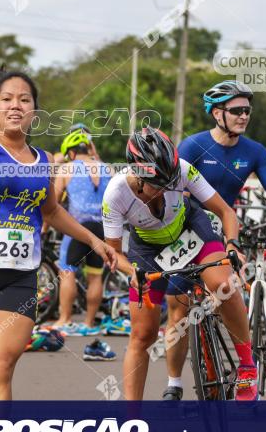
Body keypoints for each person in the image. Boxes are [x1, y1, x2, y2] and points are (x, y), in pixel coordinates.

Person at [0, 64, 117, 401]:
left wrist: (93, 239)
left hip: (19, 278)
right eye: (7, 99)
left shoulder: (45, 160)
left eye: (24, 99)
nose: (15, 105)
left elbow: (51, 210)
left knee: (1, 365)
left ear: (34, 110)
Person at [102, 126, 257, 401]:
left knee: (223, 284)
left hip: (191, 230)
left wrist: (232, 245)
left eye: (170, 183)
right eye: (157, 185)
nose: (165, 191)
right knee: (142, 335)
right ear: (137, 176)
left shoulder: (183, 169)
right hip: (147, 248)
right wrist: (132, 272)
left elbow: (225, 211)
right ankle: (132, 424)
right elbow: (114, 254)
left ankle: (247, 368)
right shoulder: (115, 193)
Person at [180, 80, 266, 257]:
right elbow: (178, 199)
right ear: (217, 114)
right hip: (187, 232)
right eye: (236, 111)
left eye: (247, 111)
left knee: (235, 281)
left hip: (225, 232)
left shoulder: (255, 152)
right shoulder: (192, 146)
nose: (244, 116)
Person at [52, 128, 113, 339]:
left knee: (67, 271)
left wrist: (42, 229)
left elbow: (52, 204)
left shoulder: (67, 169)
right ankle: (88, 322)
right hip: (101, 229)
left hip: (77, 228)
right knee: (95, 277)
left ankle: (65, 319)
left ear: (70, 152)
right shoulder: (108, 169)